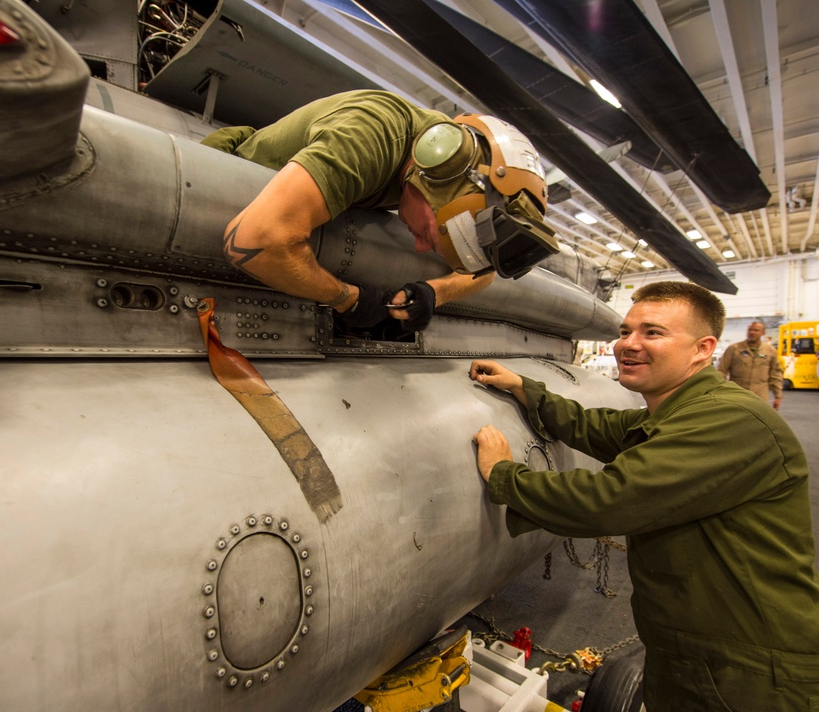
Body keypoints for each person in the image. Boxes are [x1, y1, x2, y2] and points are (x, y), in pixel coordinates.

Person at [469, 281, 819, 711]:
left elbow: (609, 500)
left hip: (745, 668)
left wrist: (504, 474)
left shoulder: (729, 418)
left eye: (653, 333)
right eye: (625, 331)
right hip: (697, 649)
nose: (627, 345)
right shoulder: (682, 409)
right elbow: (597, 427)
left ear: (702, 348)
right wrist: (526, 388)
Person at [202, 90, 559, 332]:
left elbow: (485, 270)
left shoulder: (434, 169)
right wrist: (348, 299)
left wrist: (435, 292)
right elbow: (256, 241)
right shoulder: (371, 136)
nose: (419, 247)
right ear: (434, 183)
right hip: (214, 194)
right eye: (431, 236)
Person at [717, 320, 783, 410]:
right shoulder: (734, 349)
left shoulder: (770, 351)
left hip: (760, 395)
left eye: (756, 330)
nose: (752, 332)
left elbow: (775, 374)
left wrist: (778, 396)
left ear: (763, 333)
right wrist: (720, 391)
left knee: (758, 421)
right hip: (737, 393)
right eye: (750, 330)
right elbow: (722, 370)